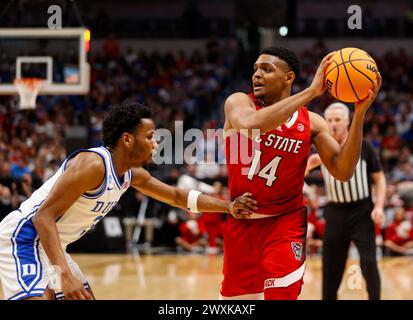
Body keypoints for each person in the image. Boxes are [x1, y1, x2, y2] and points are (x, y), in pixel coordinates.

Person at [0, 100, 257, 301]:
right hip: (24, 238)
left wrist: (228, 206)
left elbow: (178, 196)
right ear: (126, 139)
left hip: (50, 246)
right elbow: (42, 217)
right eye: (150, 136)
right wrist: (63, 275)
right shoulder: (92, 164)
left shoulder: (131, 175)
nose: (155, 143)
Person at [221, 46, 381, 300]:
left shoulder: (313, 123)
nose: (257, 75)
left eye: (267, 69)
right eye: (255, 69)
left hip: (285, 223)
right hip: (242, 224)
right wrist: (311, 92)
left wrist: (360, 114)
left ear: (289, 77)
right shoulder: (239, 102)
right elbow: (251, 125)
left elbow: (343, 170)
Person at [305, 102, 386, 300]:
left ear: (348, 121)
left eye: (337, 120)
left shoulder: (364, 146)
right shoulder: (322, 149)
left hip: (362, 211)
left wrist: (379, 206)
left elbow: (379, 178)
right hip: (335, 212)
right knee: (331, 266)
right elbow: (301, 170)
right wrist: (305, 187)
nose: (333, 124)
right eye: (330, 120)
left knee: (368, 264)